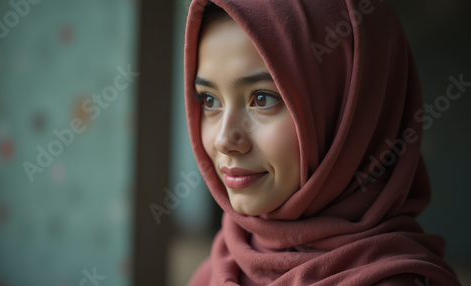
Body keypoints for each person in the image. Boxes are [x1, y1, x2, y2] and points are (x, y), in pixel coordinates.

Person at [183, 0, 462, 285]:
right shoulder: (224, 260)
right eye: (209, 100)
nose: (224, 140)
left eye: (262, 99)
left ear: (351, 110)